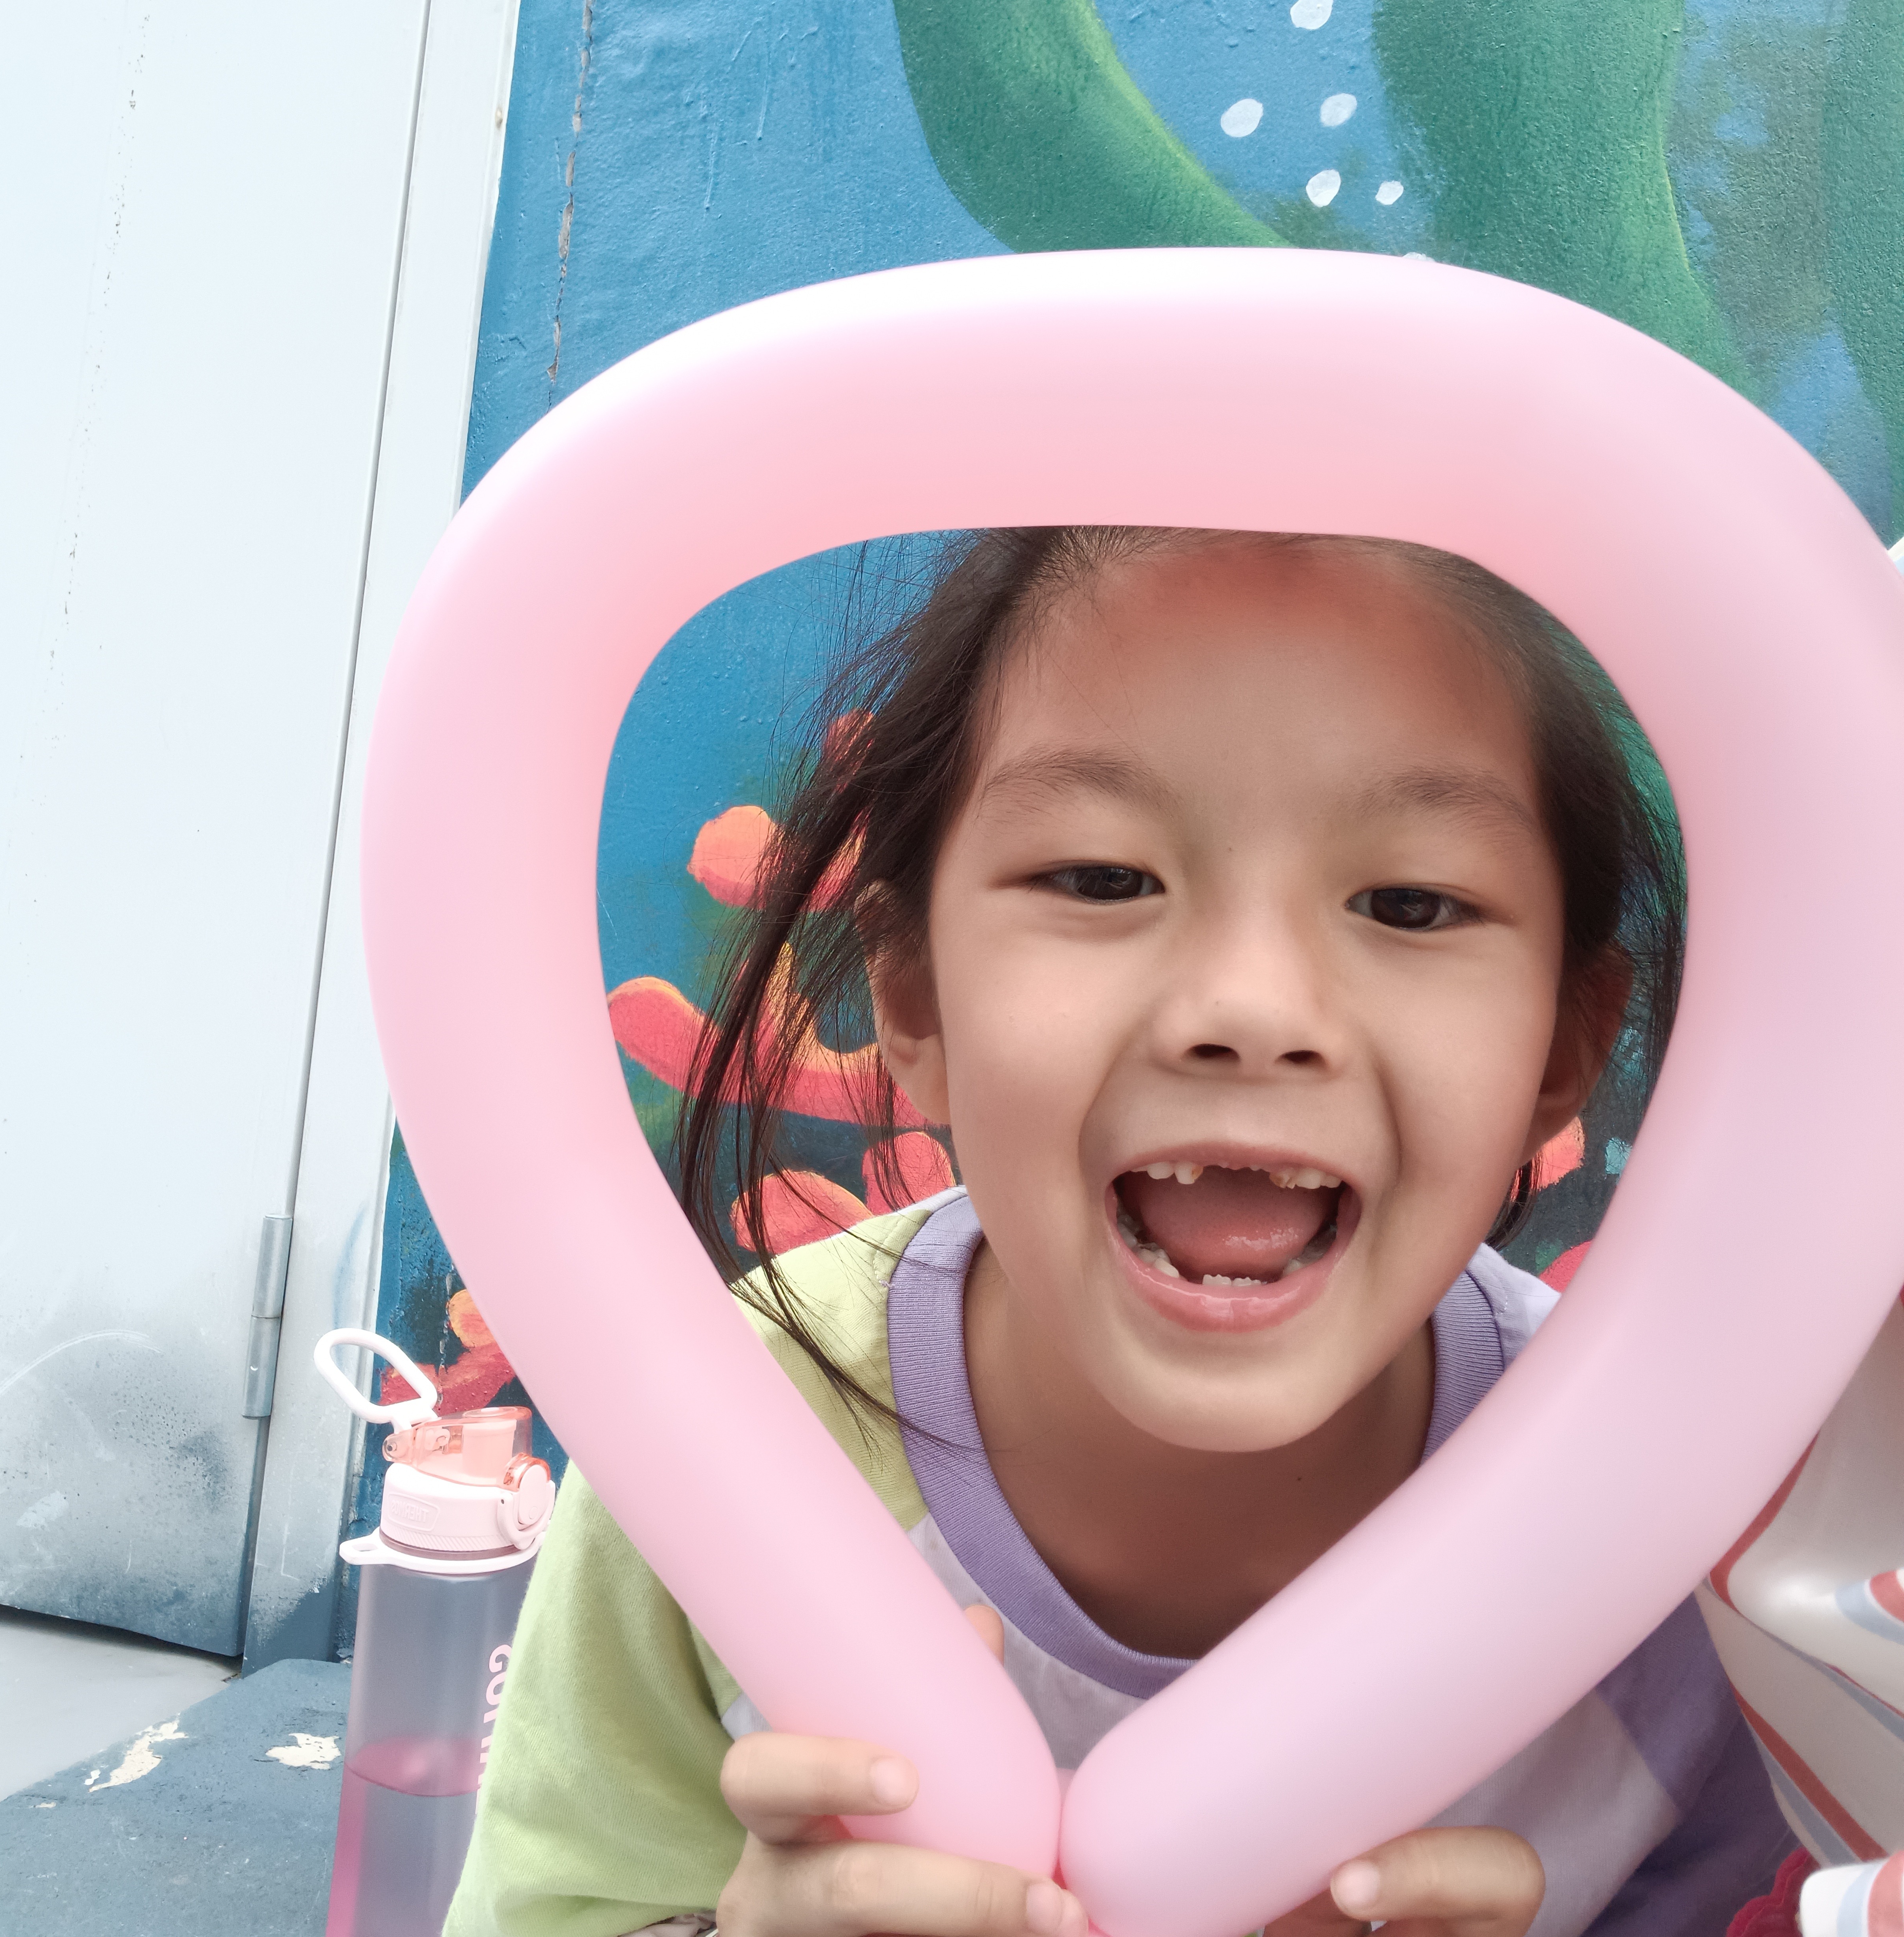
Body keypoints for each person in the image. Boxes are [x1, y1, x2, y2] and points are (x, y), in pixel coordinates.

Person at [445, 529, 1793, 1937]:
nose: (1253, 1008)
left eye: (1410, 904)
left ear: (1566, 1046)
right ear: (912, 999)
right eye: (1101, 880)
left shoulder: (1683, 1555)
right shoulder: (723, 1436)